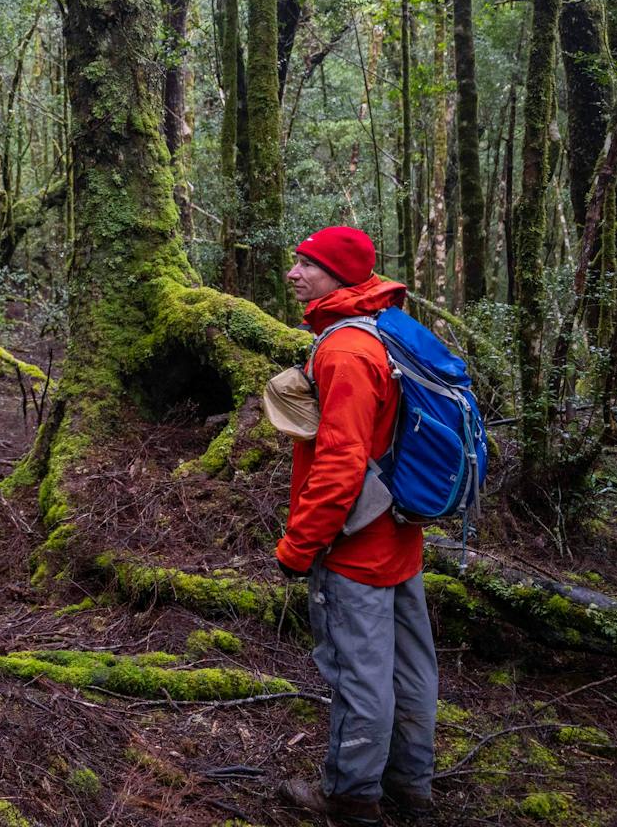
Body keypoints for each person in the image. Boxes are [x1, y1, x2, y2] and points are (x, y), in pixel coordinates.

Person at [275, 226, 437, 826]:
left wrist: (298, 545)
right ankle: (410, 785)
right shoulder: (386, 328)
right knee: (411, 668)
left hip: (354, 548)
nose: (294, 274)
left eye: (307, 265)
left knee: (360, 675)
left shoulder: (345, 351)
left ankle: (351, 795)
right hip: (400, 534)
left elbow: (341, 464)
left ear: (340, 275)